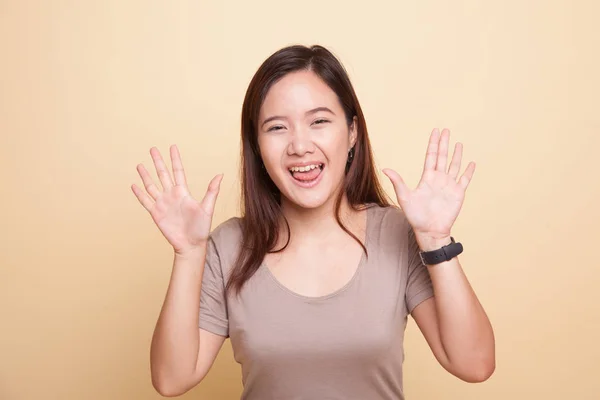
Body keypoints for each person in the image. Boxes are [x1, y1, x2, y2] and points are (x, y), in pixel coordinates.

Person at [131, 44, 495, 399]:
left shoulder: (397, 234)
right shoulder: (228, 246)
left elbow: (474, 364)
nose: (299, 146)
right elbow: (171, 379)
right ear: (257, 146)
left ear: (352, 132)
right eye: (277, 128)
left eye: (319, 121)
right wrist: (189, 254)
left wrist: (435, 239)